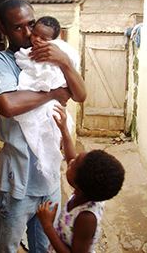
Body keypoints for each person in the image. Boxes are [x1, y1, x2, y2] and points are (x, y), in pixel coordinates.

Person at [0, 0, 86, 253]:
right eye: (19, 27)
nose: (29, 33)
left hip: (49, 180)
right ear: (4, 30)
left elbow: (80, 95)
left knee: (43, 246)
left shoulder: (52, 54)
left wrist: (64, 62)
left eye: (31, 23)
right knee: (6, 247)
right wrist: (53, 93)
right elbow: (7, 104)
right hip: (18, 182)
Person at [37, 105, 125, 253]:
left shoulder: (86, 218)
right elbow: (72, 157)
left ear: (78, 185)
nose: (70, 161)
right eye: (77, 158)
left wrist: (47, 226)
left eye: (73, 165)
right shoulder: (88, 190)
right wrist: (64, 129)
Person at [14, 16, 80, 180]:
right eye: (35, 34)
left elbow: (77, 92)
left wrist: (62, 65)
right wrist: (52, 92)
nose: (36, 39)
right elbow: (24, 60)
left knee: (50, 133)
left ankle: (49, 163)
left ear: (53, 40)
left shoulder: (57, 52)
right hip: (37, 99)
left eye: (43, 38)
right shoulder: (26, 50)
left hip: (51, 104)